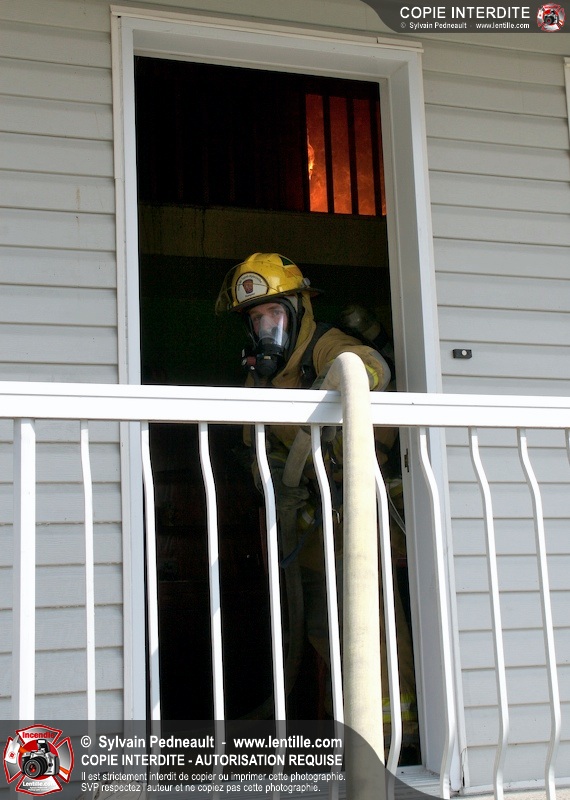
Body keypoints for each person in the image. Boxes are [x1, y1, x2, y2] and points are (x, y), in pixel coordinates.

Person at [216, 253, 418, 755]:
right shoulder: (261, 377)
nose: (266, 328)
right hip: (315, 517)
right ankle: (351, 727)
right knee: (320, 625)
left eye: (274, 314)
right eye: (257, 318)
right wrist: (278, 487)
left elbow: (372, 368)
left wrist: (335, 392)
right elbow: (255, 445)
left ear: (299, 310)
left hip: (362, 503)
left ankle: (401, 736)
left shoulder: (325, 346)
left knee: (373, 621)